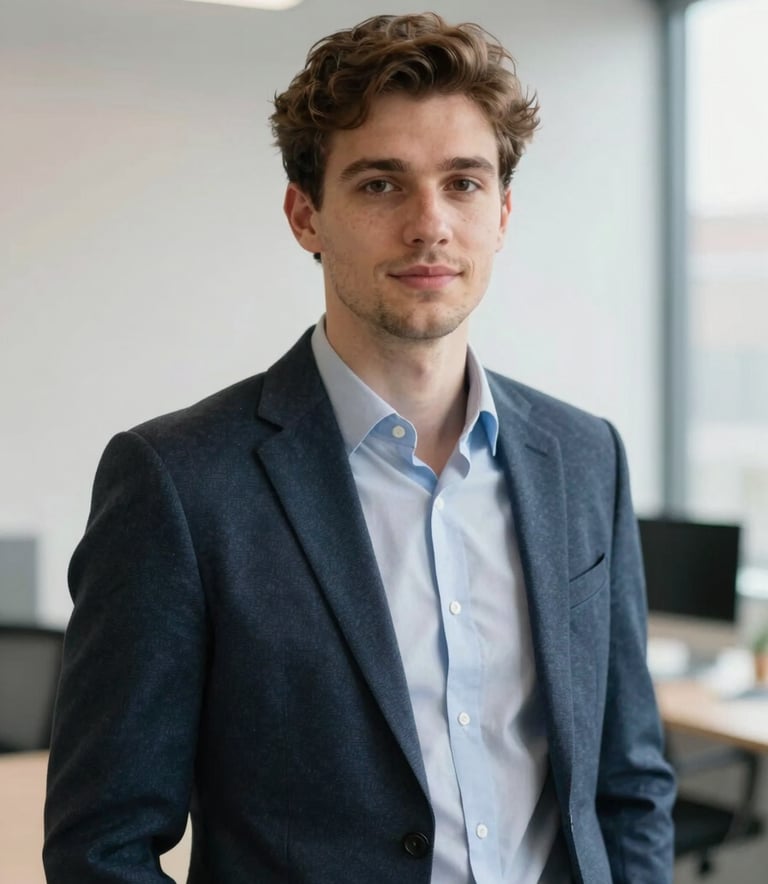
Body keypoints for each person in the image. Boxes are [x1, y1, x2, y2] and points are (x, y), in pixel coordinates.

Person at [43, 12, 675, 884]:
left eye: (463, 183)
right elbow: (101, 846)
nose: (430, 225)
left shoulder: (583, 458)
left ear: (503, 212)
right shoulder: (179, 485)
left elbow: (628, 782)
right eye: (382, 185)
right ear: (307, 215)